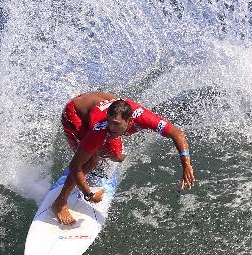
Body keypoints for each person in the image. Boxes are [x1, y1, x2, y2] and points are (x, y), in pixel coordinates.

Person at [52, 91, 195, 225]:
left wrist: (186, 164)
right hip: (75, 112)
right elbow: (75, 166)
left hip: (96, 102)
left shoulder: (143, 117)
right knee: (91, 160)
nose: (111, 128)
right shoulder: (101, 128)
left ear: (130, 120)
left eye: (116, 124)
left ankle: (97, 153)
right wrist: (88, 194)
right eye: (110, 122)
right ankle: (60, 202)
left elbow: (176, 133)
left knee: (116, 156)